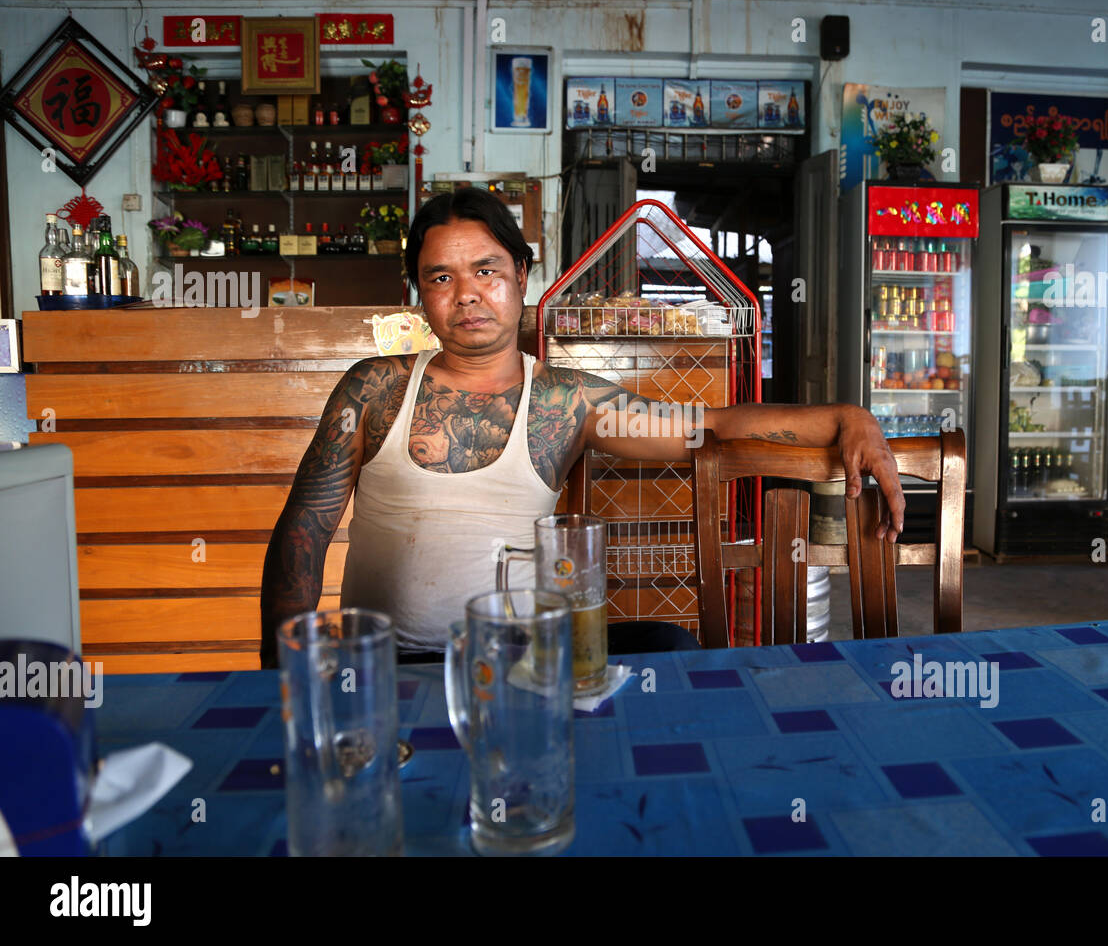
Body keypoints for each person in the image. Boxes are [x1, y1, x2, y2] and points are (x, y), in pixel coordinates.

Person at [259, 188, 905, 668]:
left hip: (522, 660)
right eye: (440, 277)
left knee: (668, 648)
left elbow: (713, 425)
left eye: (486, 270)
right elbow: (303, 534)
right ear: (420, 294)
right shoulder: (374, 387)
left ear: (521, 274)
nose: (467, 294)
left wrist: (849, 418)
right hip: (388, 666)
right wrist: (280, 675)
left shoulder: (567, 402)